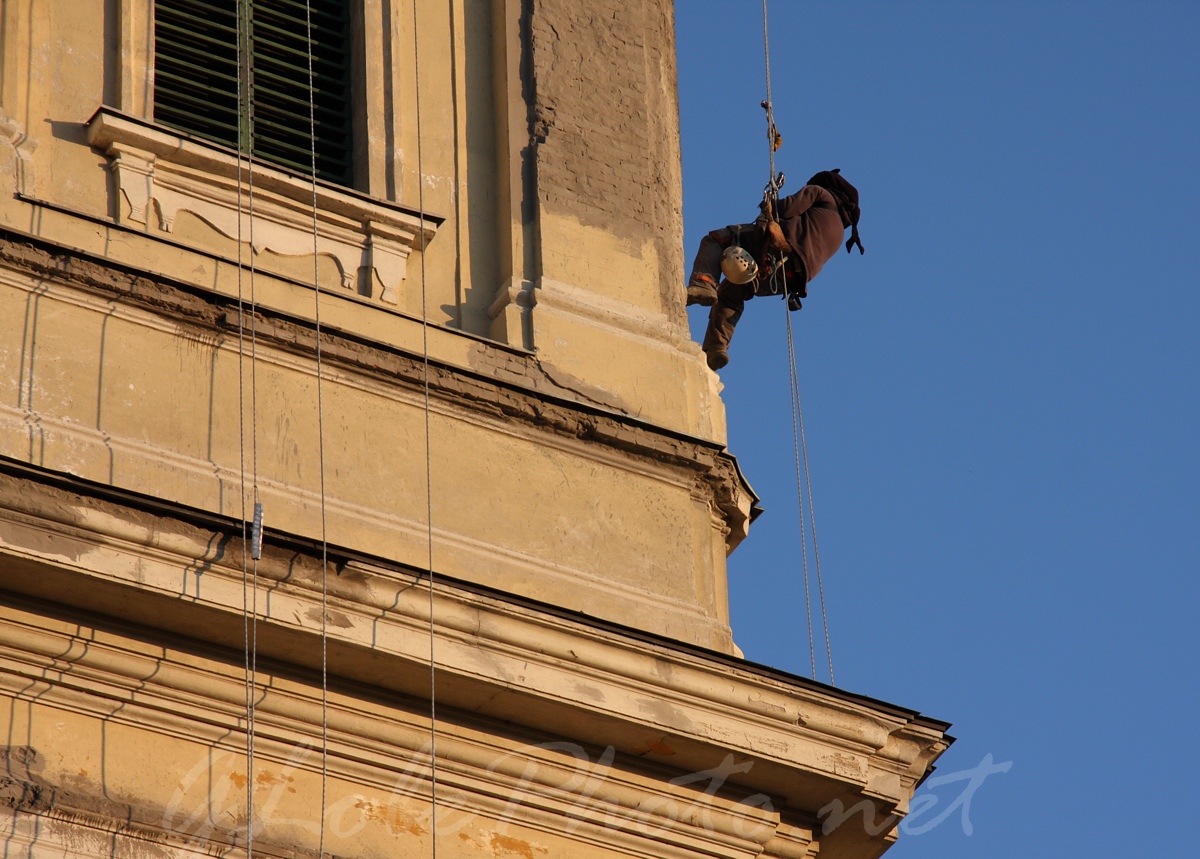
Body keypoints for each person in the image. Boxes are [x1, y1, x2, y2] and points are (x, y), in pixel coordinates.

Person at [685, 169, 864, 370]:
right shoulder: (839, 231)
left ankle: (704, 284)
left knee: (716, 239)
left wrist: (770, 205)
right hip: (788, 280)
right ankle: (716, 349)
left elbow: (784, 210)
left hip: (777, 248)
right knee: (732, 291)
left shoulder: (819, 193)